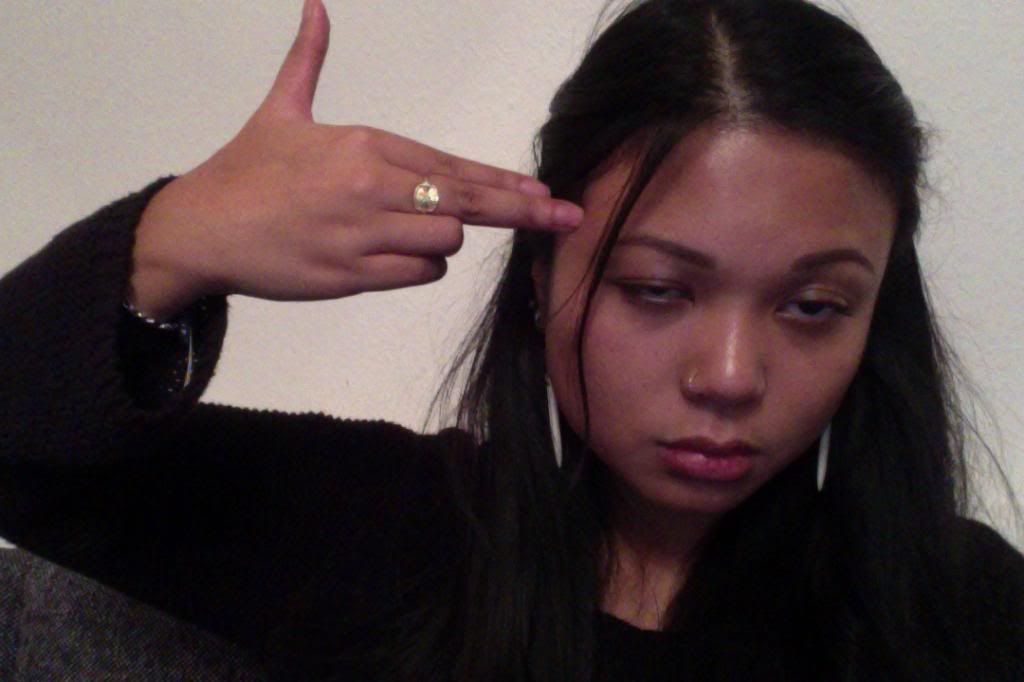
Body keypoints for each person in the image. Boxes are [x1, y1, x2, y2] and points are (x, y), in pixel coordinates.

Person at [1, 0, 1022, 679]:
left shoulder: (965, 612)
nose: (728, 375)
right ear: (543, 283)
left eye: (813, 307)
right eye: (657, 289)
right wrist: (174, 238)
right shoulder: (395, 535)